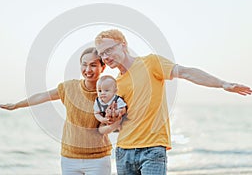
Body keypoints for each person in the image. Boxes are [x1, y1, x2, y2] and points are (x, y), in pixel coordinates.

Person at [94, 29, 252, 175]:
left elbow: (186, 72)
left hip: (152, 149)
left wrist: (222, 84)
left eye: (109, 50)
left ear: (123, 45)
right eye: (102, 54)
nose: (106, 57)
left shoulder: (150, 63)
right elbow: (120, 121)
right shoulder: (114, 84)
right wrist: (112, 118)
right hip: (123, 152)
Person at [0, 47, 121, 175]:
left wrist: (113, 122)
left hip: (98, 159)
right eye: (84, 65)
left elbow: (104, 127)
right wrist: (17, 105)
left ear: (102, 68)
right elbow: (43, 96)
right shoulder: (69, 88)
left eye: (93, 65)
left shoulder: (109, 92)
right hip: (70, 159)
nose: (87, 70)